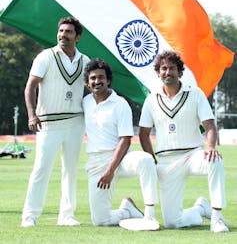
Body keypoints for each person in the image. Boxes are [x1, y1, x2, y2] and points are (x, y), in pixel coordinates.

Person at [139, 50, 229, 233]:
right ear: (158, 72)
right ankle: (200, 209)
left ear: (180, 72)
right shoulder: (151, 99)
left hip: (193, 155)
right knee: (172, 222)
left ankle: (217, 218)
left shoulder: (195, 94)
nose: (167, 72)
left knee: (215, 161)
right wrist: (151, 159)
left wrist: (210, 147)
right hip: (166, 161)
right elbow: (143, 133)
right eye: (163, 69)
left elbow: (210, 126)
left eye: (172, 68)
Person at [21, 17, 90, 228]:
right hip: (48, 122)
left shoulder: (85, 61)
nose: (63, 35)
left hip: (75, 122)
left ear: (77, 37)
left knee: (70, 170)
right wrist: (32, 115)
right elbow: (30, 87)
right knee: (41, 168)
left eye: (68, 32)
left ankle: (66, 215)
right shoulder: (45, 56)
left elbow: (93, 88)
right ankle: (29, 216)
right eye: (61, 31)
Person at [82, 58, 159, 231]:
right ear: (87, 83)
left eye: (101, 77)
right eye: (93, 78)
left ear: (108, 80)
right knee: (100, 221)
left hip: (121, 159)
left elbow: (125, 140)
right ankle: (126, 210)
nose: (97, 81)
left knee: (146, 160)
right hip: (96, 163)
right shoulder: (85, 102)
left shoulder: (120, 104)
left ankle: (150, 215)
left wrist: (110, 170)